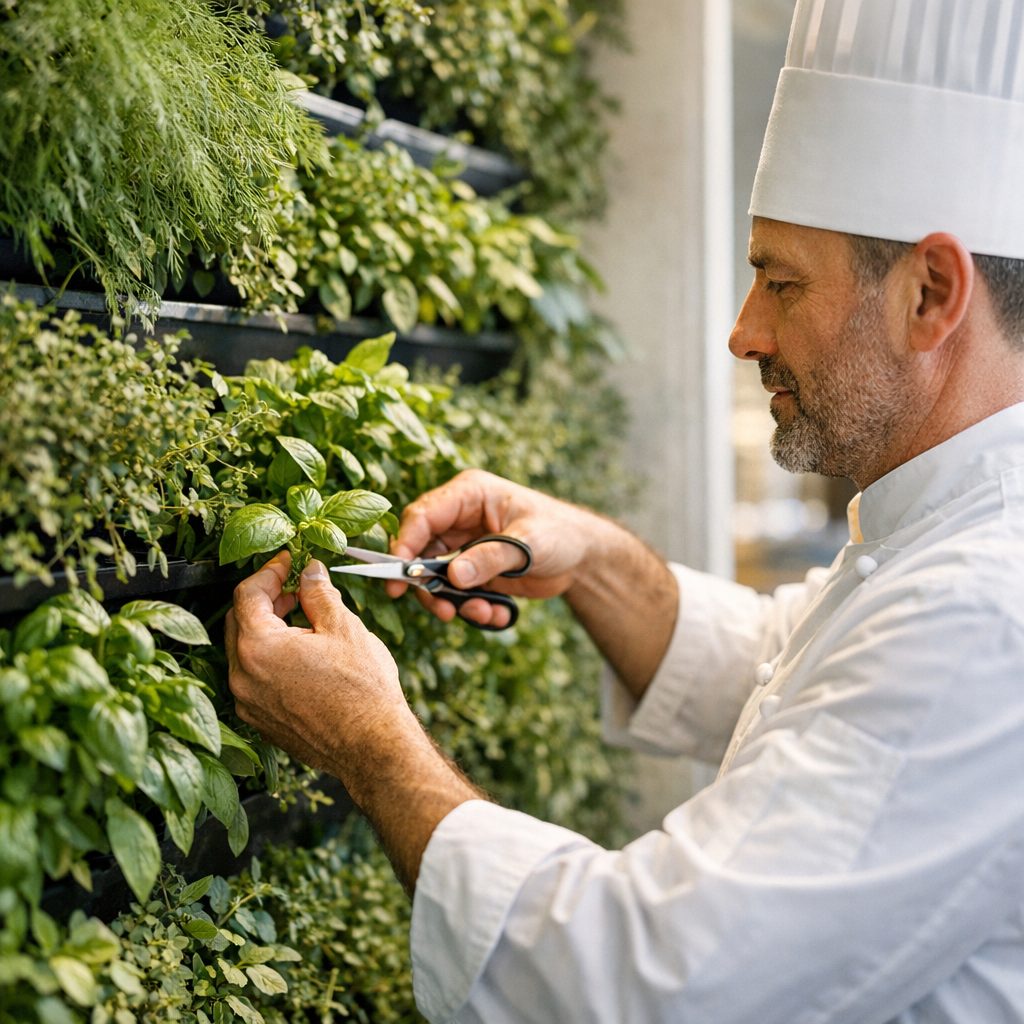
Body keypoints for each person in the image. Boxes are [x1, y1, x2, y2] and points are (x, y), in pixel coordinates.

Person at [226, 1, 1024, 1020]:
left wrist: (369, 743)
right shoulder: (949, 543)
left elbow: (647, 982)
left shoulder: (981, 616)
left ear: (932, 293)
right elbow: (789, 666)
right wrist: (595, 559)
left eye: (781, 283)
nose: (743, 333)